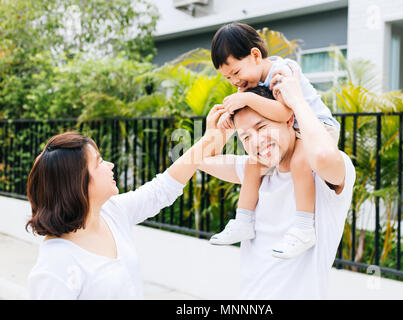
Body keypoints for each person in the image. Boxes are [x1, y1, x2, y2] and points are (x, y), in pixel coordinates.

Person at [26, 105, 229, 299]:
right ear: (77, 182)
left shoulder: (110, 213)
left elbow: (162, 189)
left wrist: (210, 139)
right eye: (99, 162)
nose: (110, 165)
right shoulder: (55, 265)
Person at [199, 69, 355, 299]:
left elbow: (322, 154)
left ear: (289, 119)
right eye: (246, 137)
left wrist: (297, 101)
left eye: (262, 127)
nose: (257, 142)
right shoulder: (256, 171)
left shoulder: (322, 173)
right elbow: (201, 160)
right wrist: (214, 133)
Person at [208, 22, 341, 259]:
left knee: (301, 161)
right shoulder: (249, 84)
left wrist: (246, 99)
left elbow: (283, 114)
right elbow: (248, 111)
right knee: (252, 164)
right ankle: (244, 220)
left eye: (236, 73)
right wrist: (229, 117)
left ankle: (303, 228)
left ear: (255, 56)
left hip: (319, 130)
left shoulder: (282, 71)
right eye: (228, 78)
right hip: (291, 134)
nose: (234, 82)